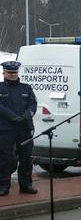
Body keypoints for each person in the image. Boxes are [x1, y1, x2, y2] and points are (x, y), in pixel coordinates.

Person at [0, 61, 37, 196]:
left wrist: (26, 116)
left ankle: (26, 184)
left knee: (26, 158)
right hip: (5, 129)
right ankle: (3, 185)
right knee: (5, 158)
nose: (13, 75)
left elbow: (33, 104)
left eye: (15, 72)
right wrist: (12, 117)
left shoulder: (26, 88)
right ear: (4, 72)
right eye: (10, 73)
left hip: (24, 128)